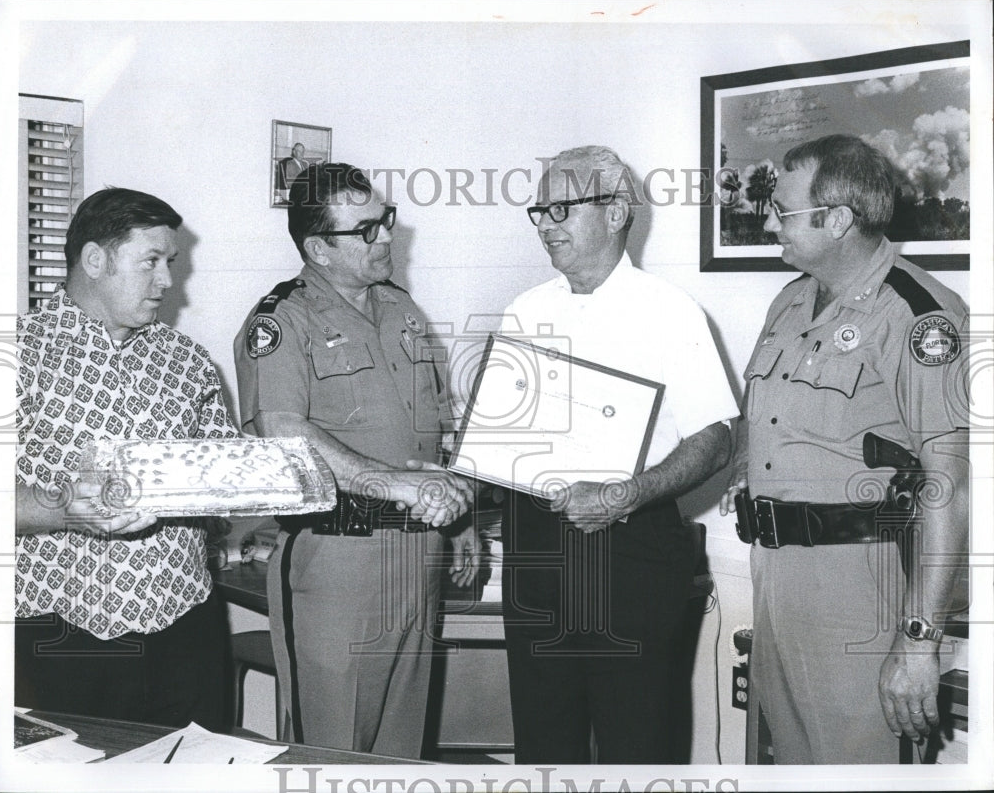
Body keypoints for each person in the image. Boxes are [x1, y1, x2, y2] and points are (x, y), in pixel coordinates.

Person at [719, 134, 970, 763]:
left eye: (783, 210)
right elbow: (774, 422)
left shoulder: (920, 316)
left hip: (862, 588)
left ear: (837, 220)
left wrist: (919, 642)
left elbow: (951, 485)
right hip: (776, 578)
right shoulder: (790, 301)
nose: (768, 220)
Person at [497, 145, 738, 764]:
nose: (547, 225)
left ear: (616, 212)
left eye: (562, 209)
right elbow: (501, 436)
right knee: (544, 748)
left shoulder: (670, 311)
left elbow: (716, 437)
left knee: (638, 746)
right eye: (539, 210)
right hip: (538, 552)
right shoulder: (525, 311)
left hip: (629, 549)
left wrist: (624, 494)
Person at [234, 162, 477, 758]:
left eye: (385, 221)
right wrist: (394, 485)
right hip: (337, 559)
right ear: (318, 247)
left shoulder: (402, 309)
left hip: (419, 553)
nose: (386, 237)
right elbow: (284, 434)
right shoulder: (281, 322)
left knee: (400, 743)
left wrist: (462, 519)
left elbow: (436, 425)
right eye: (365, 230)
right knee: (332, 747)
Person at [15, 187, 238, 731]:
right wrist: (66, 507)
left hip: (186, 621)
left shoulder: (188, 361)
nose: (167, 281)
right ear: (96, 260)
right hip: (62, 631)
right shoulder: (16, 354)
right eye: (151, 262)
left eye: (171, 263)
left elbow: (226, 477)